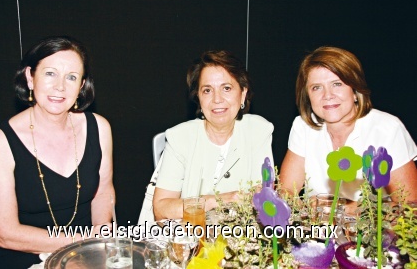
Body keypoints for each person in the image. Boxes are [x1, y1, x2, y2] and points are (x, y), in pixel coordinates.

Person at [0, 36, 115, 268]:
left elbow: (103, 193)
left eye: (71, 77)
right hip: (21, 256)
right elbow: (5, 233)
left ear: (81, 86)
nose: (60, 86)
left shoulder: (99, 127)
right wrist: (82, 243)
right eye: (50, 73)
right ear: (30, 78)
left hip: (84, 253)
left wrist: (99, 243)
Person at [280, 46, 417, 203]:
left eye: (337, 84)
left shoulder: (387, 129)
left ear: (355, 90)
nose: (327, 95)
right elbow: (287, 191)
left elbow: (411, 205)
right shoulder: (303, 126)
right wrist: (307, 206)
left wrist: (365, 210)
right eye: (316, 87)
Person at [152, 50, 274, 220]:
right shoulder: (179, 137)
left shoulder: (258, 131)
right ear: (199, 98)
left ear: (243, 94)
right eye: (207, 90)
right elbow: (162, 209)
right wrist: (219, 200)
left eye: (226, 88)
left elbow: (263, 196)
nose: (217, 99)